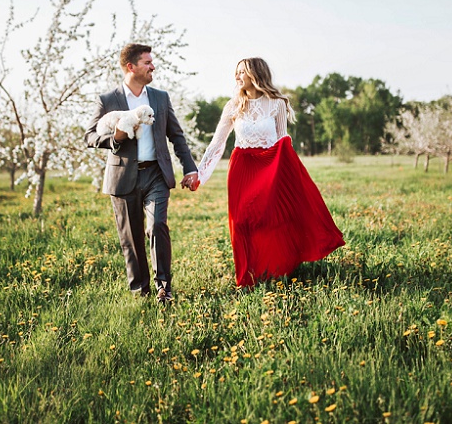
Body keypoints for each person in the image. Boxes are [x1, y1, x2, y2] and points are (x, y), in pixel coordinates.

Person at [194, 57, 345, 287]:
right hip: (243, 166)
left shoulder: (277, 103)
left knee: (270, 219)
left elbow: (283, 140)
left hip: (270, 165)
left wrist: (290, 177)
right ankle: (247, 276)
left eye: (241, 72)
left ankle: (274, 269)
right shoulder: (233, 104)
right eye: (236, 72)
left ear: (255, 74)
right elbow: (218, 142)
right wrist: (200, 174)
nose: (237, 77)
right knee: (242, 220)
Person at [85, 43, 199, 304]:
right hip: (123, 176)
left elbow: (176, 136)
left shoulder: (160, 98)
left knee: (157, 225)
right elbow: (90, 136)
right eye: (147, 62)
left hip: (156, 174)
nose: (153, 67)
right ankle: (141, 291)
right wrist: (116, 137)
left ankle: (164, 288)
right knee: (131, 237)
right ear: (131, 67)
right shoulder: (107, 100)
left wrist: (190, 168)